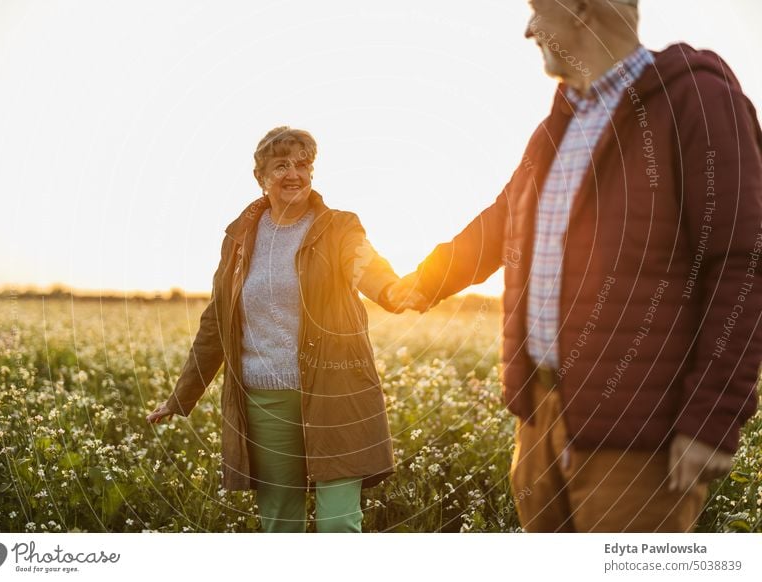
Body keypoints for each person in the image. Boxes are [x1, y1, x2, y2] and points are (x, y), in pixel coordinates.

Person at [392, 0, 762, 532]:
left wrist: (712, 417)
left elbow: (742, 263)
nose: (528, 29)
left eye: (537, 11)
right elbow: (503, 223)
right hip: (542, 418)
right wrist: (421, 283)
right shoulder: (558, 125)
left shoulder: (698, 102)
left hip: (638, 436)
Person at [146, 126, 425, 532]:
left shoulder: (340, 227)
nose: (294, 173)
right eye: (281, 165)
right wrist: (181, 396)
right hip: (266, 400)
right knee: (279, 523)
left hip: (336, 394)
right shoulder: (239, 239)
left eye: (303, 164)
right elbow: (217, 321)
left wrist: (392, 290)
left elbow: (364, 263)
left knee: (339, 523)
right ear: (261, 178)